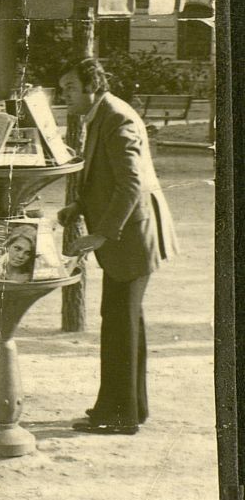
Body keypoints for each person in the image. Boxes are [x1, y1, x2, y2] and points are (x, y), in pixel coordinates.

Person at [57, 57, 179, 435]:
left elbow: (130, 185)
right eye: (63, 90)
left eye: (70, 90)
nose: (65, 97)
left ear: (92, 86)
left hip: (130, 240)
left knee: (118, 326)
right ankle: (130, 407)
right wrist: (79, 206)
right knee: (125, 324)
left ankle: (119, 416)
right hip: (129, 239)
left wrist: (101, 235)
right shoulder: (104, 112)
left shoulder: (116, 117)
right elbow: (108, 179)